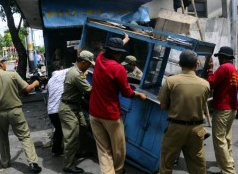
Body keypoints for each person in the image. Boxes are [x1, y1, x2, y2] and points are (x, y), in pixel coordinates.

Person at [89, 34, 147, 174]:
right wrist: (139, 94)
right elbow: (127, 92)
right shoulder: (118, 69)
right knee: (119, 148)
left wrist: (124, 40)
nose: (120, 56)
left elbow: (109, 50)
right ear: (116, 54)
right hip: (111, 115)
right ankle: (119, 170)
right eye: (119, 53)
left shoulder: (100, 58)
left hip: (94, 113)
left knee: (103, 149)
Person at [0, 55, 42, 173]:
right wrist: (35, 83)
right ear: (0, 64)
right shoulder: (12, 75)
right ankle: (32, 163)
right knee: (25, 136)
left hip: (0, 114)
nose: (5, 64)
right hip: (16, 111)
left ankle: (5, 162)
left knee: (2, 137)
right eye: (4, 62)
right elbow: (27, 89)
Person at [158, 50, 210, 174]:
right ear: (196, 64)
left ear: (180, 64)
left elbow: (163, 105)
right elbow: (201, 105)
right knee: (198, 166)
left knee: (166, 164)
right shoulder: (205, 84)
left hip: (175, 128)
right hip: (196, 130)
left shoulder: (171, 81)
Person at [58, 50, 95, 174]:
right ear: (83, 62)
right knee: (71, 137)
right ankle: (68, 165)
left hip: (74, 106)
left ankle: (80, 151)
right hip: (68, 108)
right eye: (89, 64)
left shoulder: (77, 71)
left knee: (83, 127)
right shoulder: (75, 74)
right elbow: (90, 91)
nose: (90, 66)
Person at [207, 46, 238, 174]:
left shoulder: (224, 67)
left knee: (219, 140)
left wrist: (210, 70)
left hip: (223, 108)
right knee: (226, 138)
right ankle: (228, 162)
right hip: (232, 108)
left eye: (220, 57)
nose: (218, 60)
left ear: (224, 57)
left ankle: (228, 171)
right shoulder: (234, 70)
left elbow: (211, 83)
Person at [46, 60, 69, 156]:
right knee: (67, 129)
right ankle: (68, 151)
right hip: (58, 109)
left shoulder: (50, 80)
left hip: (51, 110)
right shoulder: (62, 73)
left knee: (58, 129)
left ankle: (56, 149)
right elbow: (76, 68)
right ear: (61, 67)